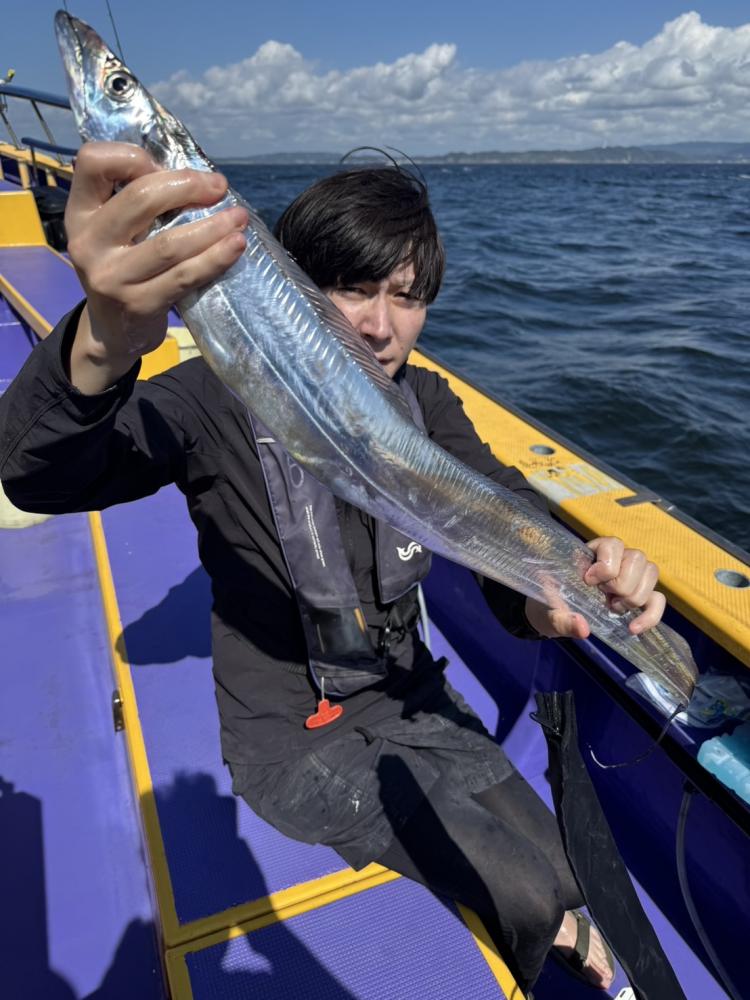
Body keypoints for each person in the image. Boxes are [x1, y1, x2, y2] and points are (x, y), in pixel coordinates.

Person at [0, 142, 665, 995]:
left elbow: (504, 522)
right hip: (293, 735)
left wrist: (573, 585)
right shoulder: (210, 396)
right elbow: (42, 471)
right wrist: (104, 341)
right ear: (292, 288)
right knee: (530, 892)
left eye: (407, 296)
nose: (379, 325)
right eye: (352, 287)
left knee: (558, 862)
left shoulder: (424, 405)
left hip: (416, 698)